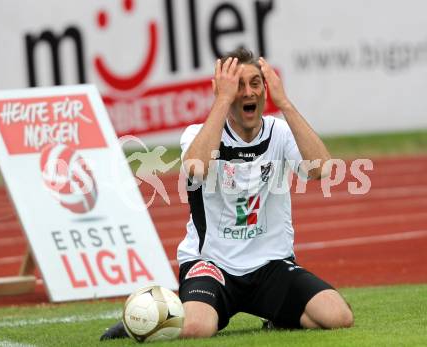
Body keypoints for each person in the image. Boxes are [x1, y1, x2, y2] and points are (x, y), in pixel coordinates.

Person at [100, 47, 353, 341]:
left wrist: (283, 102)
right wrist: (222, 98)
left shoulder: (280, 132)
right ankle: (146, 319)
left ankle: (276, 316)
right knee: (196, 328)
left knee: (338, 316)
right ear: (222, 90)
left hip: (269, 264)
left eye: (255, 84)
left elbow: (320, 169)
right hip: (212, 265)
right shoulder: (198, 135)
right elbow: (196, 168)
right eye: (238, 86)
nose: (248, 93)